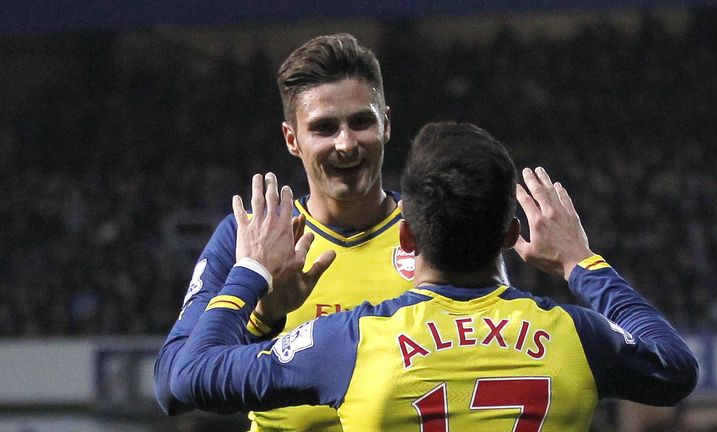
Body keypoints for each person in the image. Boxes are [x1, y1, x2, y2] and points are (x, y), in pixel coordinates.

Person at [168, 122, 699, 431]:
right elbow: (675, 368)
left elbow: (191, 375)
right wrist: (580, 263)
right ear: (511, 234)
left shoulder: (354, 341)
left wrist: (250, 274)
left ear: (406, 238)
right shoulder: (577, 337)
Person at [156, 33, 481, 431]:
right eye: (324, 128)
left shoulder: (436, 226)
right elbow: (173, 388)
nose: (346, 144)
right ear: (292, 139)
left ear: (388, 124)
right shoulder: (252, 239)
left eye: (361, 122)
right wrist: (264, 313)